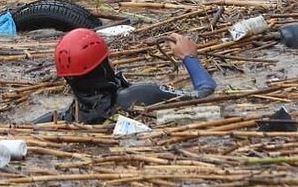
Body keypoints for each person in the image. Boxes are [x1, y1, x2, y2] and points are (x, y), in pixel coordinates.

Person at [36, 29, 216, 124]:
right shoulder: (141, 95)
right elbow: (206, 95)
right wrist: (189, 58)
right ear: (104, 66)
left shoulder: (63, 119)